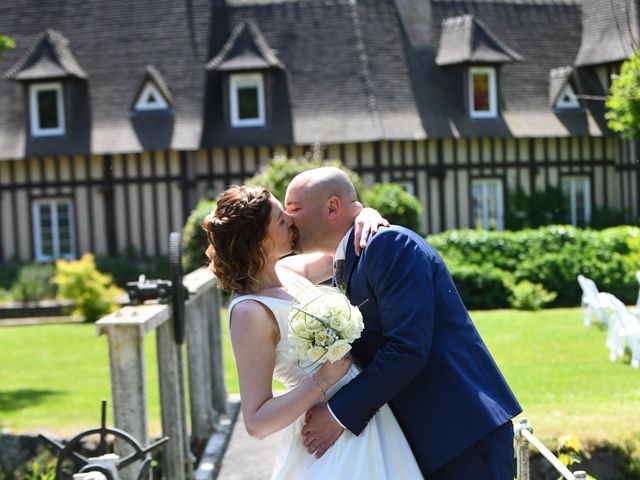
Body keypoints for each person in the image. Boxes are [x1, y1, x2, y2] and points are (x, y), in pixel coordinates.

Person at [285, 167, 522, 480]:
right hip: (430, 439)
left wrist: (336, 414)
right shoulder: (349, 258)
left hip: (461, 433)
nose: (289, 220)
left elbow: (407, 348)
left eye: (294, 210)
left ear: (331, 207)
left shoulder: (388, 245)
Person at [203, 185, 423, 479]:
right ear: (261, 241)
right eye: (282, 220)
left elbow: (346, 244)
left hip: (364, 414)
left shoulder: (290, 271)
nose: (292, 222)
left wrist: (364, 214)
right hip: (327, 438)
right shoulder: (249, 313)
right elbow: (257, 423)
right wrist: (323, 379)